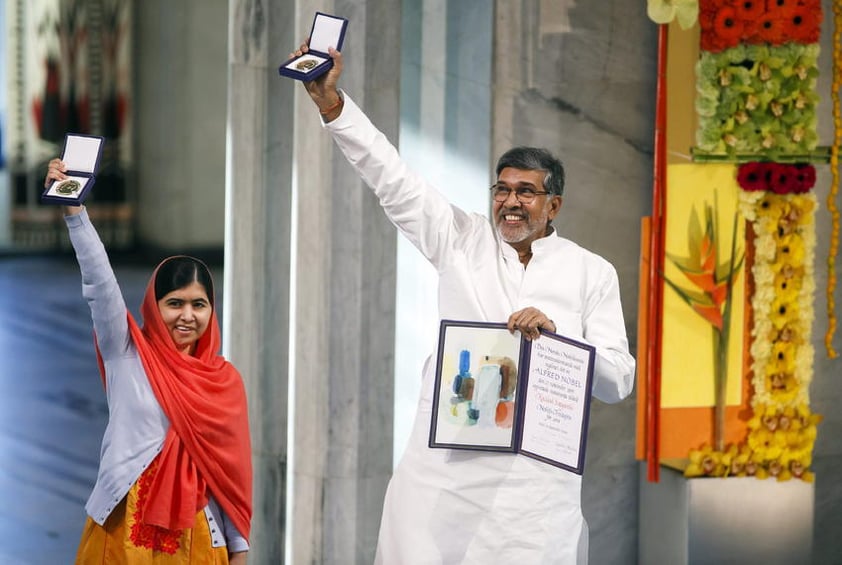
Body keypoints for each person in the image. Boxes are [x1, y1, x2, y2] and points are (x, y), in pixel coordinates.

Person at [292, 42, 636, 565]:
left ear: (554, 205)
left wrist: (558, 339)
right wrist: (332, 105)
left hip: (535, 486)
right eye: (502, 189)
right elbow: (391, 178)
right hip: (446, 468)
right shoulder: (460, 238)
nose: (511, 202)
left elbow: (617, 381)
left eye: (526, 192)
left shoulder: (591, 271)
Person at [44, 160, 253, 564]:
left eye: (199, 304)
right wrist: (74, 210)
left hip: (198, 543)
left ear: (213, 311)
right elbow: (99, 283)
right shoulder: (127, 353)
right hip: (122, 534)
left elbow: (231, 481)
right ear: (154, 308)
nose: (187, 316)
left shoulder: (224, 383)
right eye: (174, 303)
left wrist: (239, 553)